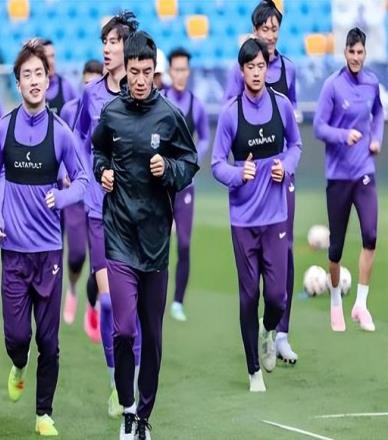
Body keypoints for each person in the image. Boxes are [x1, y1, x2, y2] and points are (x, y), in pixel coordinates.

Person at [93, 31, 198, 439]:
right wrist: (103, 171)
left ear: (155, 72)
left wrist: (168, 170)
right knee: (124, 329)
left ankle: (143, 416)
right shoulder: (112, 114)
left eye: (146, 72)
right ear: (127, 71)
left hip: (155, 243)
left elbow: (189, 162)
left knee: (152, 335)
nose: (139, 79)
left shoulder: (170, 116)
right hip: (120, 237)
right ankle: (126, 406)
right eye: (133, 72)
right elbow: (98, 150)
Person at [0, 39, 88, 437]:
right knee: (17, 338)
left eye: (38, 74)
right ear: (18, 82)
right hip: (13, 250)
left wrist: (61, 197)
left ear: (48, 80)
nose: (33, 80)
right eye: (26, 74)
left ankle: (44, 413)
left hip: (49, 253)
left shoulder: (61, 133)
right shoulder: (2, 129)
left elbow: (83, 180)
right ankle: (18, 364)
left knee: (49, 340)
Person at [211, 38, 302, 392]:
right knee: (249, 295)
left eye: (261, 66)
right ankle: (253, 371)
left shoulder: (281, 106)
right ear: (242, 71)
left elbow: (296, 145)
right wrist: (239, 174)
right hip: (244, 221)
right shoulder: (230, 114)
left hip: (276, 215)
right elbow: (217, 164)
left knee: (277, 297)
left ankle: (270, 330)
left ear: (267, 68)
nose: (256, 73)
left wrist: (286, 167)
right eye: (250, 67)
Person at [73, 10, 142, 418]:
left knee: (132, 304)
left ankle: (134, 378)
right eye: (105, 42)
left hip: (135, 212)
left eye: (114, 42)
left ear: (128, 47)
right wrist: (89, 173)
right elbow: (80, 138)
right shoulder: (91, 95)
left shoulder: (141, 92)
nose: (107, 48)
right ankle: (117, 380)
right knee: (108, 300)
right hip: (99, 210)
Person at [313, 27, 384, 332]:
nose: (356, 57)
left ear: (365, 53)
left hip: (364, 171)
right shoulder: (332, 86)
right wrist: (344, 135)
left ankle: (360, 305)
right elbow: (319, 127)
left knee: (371, 235)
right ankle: (335, 302)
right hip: (338, 176)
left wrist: (376, 138)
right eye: (351, 51)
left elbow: (378, 113)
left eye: (360, 52)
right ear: (345, 52)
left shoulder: (372, 83)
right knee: (336, 248)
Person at [164, 47, 210, 322]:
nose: (180, 74)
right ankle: (154, 296)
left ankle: (178, 302)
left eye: (184, 70)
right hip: (160, 185)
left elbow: (204, 137)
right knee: (157, 244)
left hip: (185, 186)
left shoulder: (196, 105)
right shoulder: (160, 101)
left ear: (188, 72)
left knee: (183, 243)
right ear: (170, 71)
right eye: (176, 69)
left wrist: (194, 159)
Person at [59, 59, 103, 328]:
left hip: (100, 193)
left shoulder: (108, 108)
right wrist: (64, 172)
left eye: (95, 83)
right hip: (76, 193)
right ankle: (73, 288)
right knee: (76, 254)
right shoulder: (69, 110)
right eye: (87, 82)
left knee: (100, 259)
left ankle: (93, 304)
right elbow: (63, 144)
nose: (90, 88)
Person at [42, 39, 78, 116]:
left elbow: (78, 114)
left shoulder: (66, 86)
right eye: (46, 57)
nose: (51, 61)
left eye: (52, 56)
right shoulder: (34, 87)